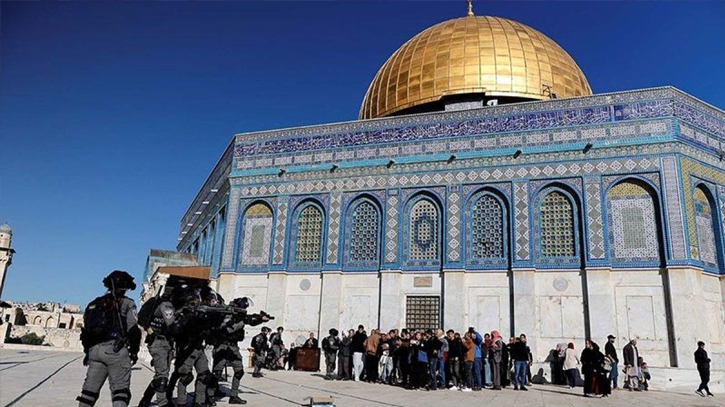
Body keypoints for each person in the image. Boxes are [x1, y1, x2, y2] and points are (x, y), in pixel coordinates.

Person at [76, 270, 141, 407]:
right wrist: (134, 352)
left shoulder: (94, 303)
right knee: (120, 392)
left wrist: (88, 352)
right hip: (115, 350)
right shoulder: (127, 303)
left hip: (94, 351)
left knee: (88, 393)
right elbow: (133, 329)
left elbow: (86, 331)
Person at [211, 297, 269, 405]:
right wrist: (240, 322)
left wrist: (261, 319)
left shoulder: (240, 317)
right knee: (217, 373)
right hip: (222, 346)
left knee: (239, 371)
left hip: (233, 348)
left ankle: (234, 395)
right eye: (244, 307)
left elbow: (250, 321)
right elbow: (227, 329)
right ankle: (209, 395)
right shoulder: (225, 314)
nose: (245, 309)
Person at [137, 291, 176, 407]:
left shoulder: (161, 304)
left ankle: (145, 399)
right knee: (162, 376)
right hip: (158, 342)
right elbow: (172, 325)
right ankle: (162, 403)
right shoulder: (165, 305)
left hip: (166, 342)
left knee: (161, 374)